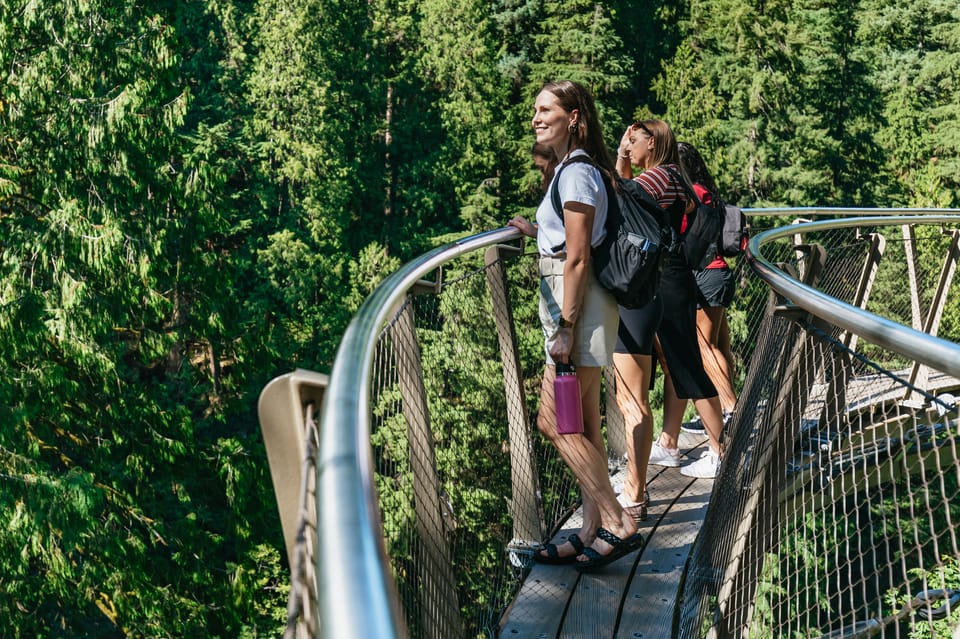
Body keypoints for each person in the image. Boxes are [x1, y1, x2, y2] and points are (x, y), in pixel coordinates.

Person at [508, 81, 641, 570]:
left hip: (577, 310)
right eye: (535, 109)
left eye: (546, 109)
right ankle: (590, 529)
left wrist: (565, 326)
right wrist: (536, 231)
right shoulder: (570, 170)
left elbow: (580, 256)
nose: (536, 117)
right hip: (577, 308)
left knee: (553, 421)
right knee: (580, 423)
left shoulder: (578, 172)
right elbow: (568, 238)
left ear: (575, 116)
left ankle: (617, 521)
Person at [613, 120, 726, 485]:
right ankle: (689, 446)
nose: (630, 146)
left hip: (667, 278)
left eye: (635, 140)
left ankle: (719, 452)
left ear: (654, 142)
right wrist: (624, 156)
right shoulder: (672, 175)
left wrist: (618, 156)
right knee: (680, 363)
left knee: (688, 365)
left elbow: (620, 195)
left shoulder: (660, 177)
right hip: (669, 274)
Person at [677, 142, 737, 433]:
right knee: (719, 346)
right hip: (719, 273)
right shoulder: (709, 193)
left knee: (704, 347)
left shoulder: (692, 194)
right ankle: (729, 407)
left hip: (705, 275)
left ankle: (729, 408)